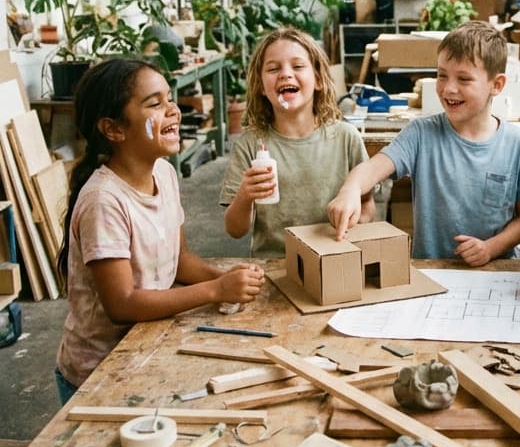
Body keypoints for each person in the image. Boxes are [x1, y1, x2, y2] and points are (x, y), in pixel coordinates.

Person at [55, 58, 265, 404]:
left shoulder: (164, 174)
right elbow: (122, 304)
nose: (173, 110)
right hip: (99, 373)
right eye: (155, 104)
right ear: (113, 129)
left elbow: (178, 260)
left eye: (170, 98)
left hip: (146, 344)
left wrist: (226, 280)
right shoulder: (104, 201)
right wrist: (214, 290)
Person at [328, 20, 520, 264]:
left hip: (496, 270)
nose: (449, 88)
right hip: (432, 270)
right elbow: (373, 168)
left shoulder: (518, 145)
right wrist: (350, 190)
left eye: (464, 79)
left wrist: (490, 248)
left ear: (496, 85)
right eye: (442, 75)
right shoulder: (421, 134)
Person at [220, 27, 375, 258]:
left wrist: (352, 220)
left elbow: (367, 205)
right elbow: (235, 230)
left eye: (298, 66)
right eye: (273, 68)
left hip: (334, 259)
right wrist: (245, 195)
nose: (285, 74)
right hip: (274, 263)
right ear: (261, 86)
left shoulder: (346, 138)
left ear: (319, 80)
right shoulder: (250, 144)